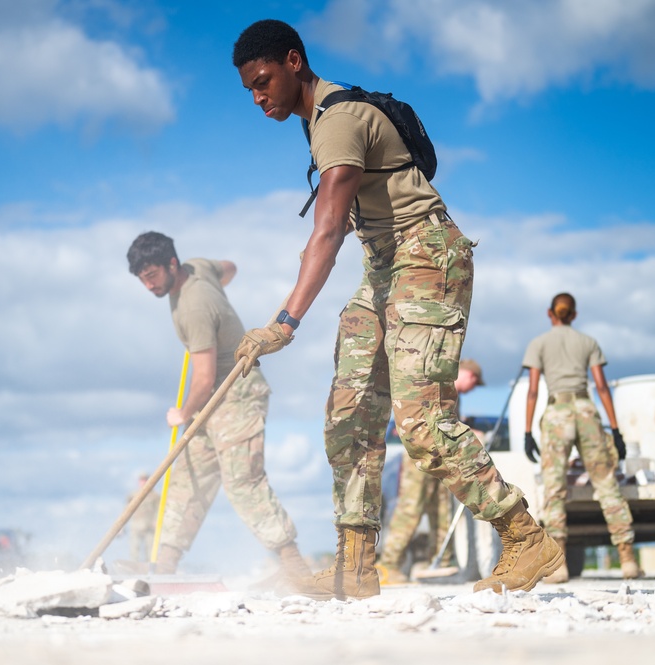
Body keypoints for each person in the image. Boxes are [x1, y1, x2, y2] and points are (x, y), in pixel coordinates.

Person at [231, 19, 563, 600]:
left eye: (263, 82)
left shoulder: (337, 120)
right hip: (382, 264)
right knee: (350, 411)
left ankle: (525, 535)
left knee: (420, 422)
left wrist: (283, 323)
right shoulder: (317, 120)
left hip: (426, 254)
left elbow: (328, 228)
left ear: (293, 61)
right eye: (249, 90)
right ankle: (355, 565)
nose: (258, 98)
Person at [126, 231, 311, 584]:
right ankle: (164, 566)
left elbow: (205, 375)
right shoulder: (198, 268)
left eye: (152, 276)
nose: (148, 286)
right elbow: (230, 268)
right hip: (213, 399)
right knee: (188, 478)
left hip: (236, 393)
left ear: (171, 264)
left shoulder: (194, 307)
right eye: (141, 279)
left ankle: (294, 566)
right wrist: (220, 304)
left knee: (243, 481)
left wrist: (182, 414)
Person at [521, 292, 640, 582]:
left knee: (555, 488)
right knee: (606, 484)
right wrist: (615, 429)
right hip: (586, 411)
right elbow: (601, 387)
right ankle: (627, 559)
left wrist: (527, 431)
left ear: (551, 313)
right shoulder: (588, 342)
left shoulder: (538, 344)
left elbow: (534, 391)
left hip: (557, 413)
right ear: (574, 314)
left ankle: (558, 565)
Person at [377, 359, 486, 584]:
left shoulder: (454, 395)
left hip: (443, 457)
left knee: (442, 511)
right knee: (411, 507)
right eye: (474, 384)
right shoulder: (437, 384)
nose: (473, 389)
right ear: (470, 376)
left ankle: (441, 563)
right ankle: (388, 566)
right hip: (422, 453)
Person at [127, 472, 161, 564]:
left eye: (145, 480)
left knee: (150, 548)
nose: (143, 482)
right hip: (136, 525)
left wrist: (156, 522)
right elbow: (125, 512)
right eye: (141, 480)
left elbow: (160, 510)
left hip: (149, 526)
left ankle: (149, 567)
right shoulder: (133, 495)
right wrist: (121, 529)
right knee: (134, 548)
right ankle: (134, 566)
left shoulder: (155, 496)